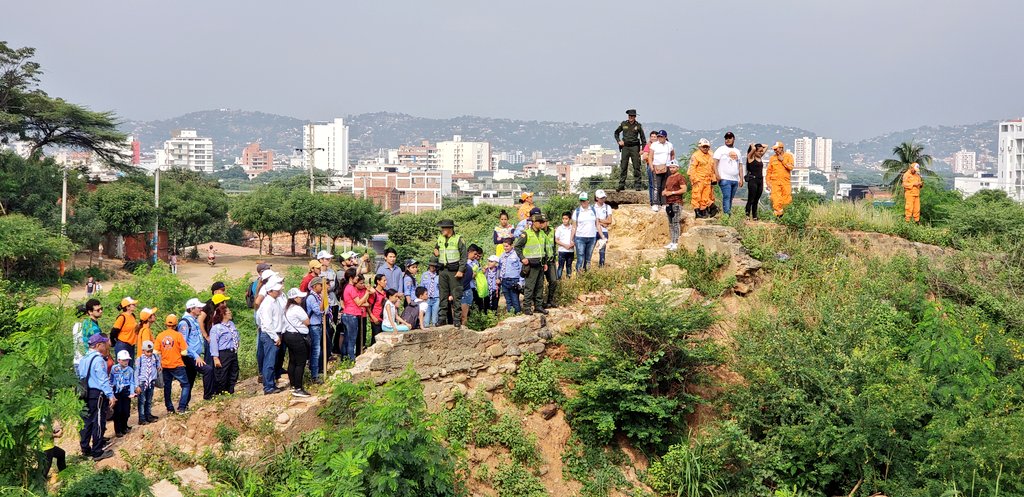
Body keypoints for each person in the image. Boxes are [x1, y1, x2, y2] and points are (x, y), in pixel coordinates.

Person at [78, 333, 114, 461]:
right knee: (98, 421)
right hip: (97, 393)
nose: (106, 346)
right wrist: (111, 395)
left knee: (86, 421)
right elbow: (103, 379)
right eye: (104, 344)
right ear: (99, 345)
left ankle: (85, 448)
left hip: (85, 393)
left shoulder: (83, 359)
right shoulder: (98, 360)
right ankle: (97, 451)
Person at [434, 219, 467, 328]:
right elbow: (437, 248)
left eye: (444, 228)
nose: (442, 230)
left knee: (456, 295)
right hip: (442, 270)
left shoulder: (459, 239)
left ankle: (457, 319)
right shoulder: (440, 238)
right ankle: (442, 318)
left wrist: (461, 270)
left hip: (454, 271)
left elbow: (464, 256)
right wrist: (435, 251)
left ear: (450, 229)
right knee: (442, 295)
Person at [179, 298, 214, 401]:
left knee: (190, 380)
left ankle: (184, 405)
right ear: (192, 309)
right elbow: (183, 343)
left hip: (195, 356)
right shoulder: (185, 323)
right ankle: (208, 397)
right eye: (198, 307)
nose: (201, 309)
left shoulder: (193, 320)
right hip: (190, 357)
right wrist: (196, 356)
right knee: (208, 370)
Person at [156, 314, 191, 412]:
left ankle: (169, 408)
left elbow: (156, 352)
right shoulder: (178, 335)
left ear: (165, 324)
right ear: (176, 325)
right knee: (185, 385)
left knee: (167, 386)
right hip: (177, 364)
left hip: (165, 365)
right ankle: (182, 407)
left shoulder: (160, 336)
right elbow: (184, 352)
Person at [516, 214, 549, 315]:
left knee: (539, 286)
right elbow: (517, 246)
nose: (542, 224)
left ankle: (538, 306)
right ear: (534, 222)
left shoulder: (542, 234)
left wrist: (545, 263)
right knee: (530, 287)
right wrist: (522, 258)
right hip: (530, 264)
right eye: (540, 222)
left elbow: (544, 249)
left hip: (540, 263)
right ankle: (527, 307)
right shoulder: (526, 234)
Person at [256, 280, 285, 394]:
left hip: (275, 333)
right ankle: (268, 387)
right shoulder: (268, 303)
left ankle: (271, 384)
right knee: (269, 361)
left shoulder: (275, 301)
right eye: (276, 289)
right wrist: (275, 337)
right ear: (270, 291)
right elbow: (267, 324)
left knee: (272, 361)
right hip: (270, 335)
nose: (279, 291)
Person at [282, 288, 311, 397]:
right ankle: (298, 388)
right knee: (300, 362)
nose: (301, 298)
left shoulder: (286, 308)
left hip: (288, 335)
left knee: (292, 360)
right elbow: (307, 322)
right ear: (295, 298)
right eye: (299, 297)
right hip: (297, 336)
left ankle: (293, 384)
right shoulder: (297, 309)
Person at [209, 303, 240, 394]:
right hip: (223, 353)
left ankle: (230, 391)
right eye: (228, 312)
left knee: (234, 372)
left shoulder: (231, 324)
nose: (230, 313)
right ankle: (221, 392)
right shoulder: (216, 328)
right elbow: (214, 343)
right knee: (222, 373)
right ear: (223, 314)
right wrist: (215, 358)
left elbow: (236, 336)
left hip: (232, 352)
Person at [614, 109, 647, 191]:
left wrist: (643, 149)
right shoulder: (624, 124)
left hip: (635, 147)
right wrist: (618, 141)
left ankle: (638, 185)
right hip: (625, 147)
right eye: (629, 116)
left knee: (636, 166)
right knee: (623, 166)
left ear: (635, 117)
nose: (630, 117)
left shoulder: (638, 126)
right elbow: (616, 133)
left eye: (632, 116)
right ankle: (621, 184)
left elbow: (643, 138)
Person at [314, 251, 338, 362]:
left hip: (332, 302)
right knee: (325, 329)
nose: (329, 261)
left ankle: (329, 351)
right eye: (326, 259)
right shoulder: (317, 275)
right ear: (320, 260)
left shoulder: (332, 272)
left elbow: (334, 287)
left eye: (329, 259)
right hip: (321, 303)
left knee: (332, 328)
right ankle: (322, 354)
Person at [572, 193, 604, 273]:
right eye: (581, 201)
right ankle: (579, 277)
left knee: (588, 258)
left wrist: (602, 236)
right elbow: (574, 227)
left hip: (592, 237)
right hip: (580, 238)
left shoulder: (593, 210)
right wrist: (571, 239)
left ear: (588, 200)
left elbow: (597, 224)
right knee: (580, 258)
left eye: (584, 200)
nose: (583, 202)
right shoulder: (577, 211)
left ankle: (587, 276)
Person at [713, 132, 744, 216]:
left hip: (734, 179)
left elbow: (740, 166)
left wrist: (741, 178)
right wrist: (717, 174)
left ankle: (728, 212)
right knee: (726, 197)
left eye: (730, 138)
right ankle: (727, 214)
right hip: (724, 178)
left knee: (730, 198)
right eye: (726, 138)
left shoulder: (737, 151)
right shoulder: (721, 149)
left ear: (734, 139)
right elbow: (715, 162)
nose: (728, 139)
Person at [341, 271, 370, 360]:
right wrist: (367, 292)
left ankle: (344, 357)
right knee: (352, 339)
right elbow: (359, 302)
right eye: (356, 276)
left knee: (346, 338)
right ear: (351, 278)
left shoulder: (347, 287)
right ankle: (351, 359)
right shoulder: (351, 288)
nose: (358, 278)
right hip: (352, 315)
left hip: (346, 314)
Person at [110, 350, 137, 437]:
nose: (126, 362)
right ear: (119, 360)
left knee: (126, 410)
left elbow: (132, 382)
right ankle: (118, 430)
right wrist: (111, 394)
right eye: (124, 360)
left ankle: (124, 426)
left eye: (127, 360)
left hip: (126, 391)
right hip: (117, 391)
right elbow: (110, 381)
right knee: (118, 411)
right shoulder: (114, 369)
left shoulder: (130, 370)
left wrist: (132, 392)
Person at [304, 276, 326, 384]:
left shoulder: (317, 296)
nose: (322, 288)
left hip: (318, 324)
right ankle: (314, 375)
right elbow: (318, 311)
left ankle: (316, 371)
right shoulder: (312, 298)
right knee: (315, 350)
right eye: (320, 285)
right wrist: (323, 300)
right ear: (315, 286)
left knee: (318, 349)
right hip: (314, 325)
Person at [663, 160, 689, 251]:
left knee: (675, 222)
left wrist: (672, 193)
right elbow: (667, 188)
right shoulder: (669, 177)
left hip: (676, 202)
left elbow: (684, 189)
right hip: (668, 202)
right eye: (670, 167)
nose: (672, 169)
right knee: (670, 223)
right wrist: (665, 192)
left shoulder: (680, 177)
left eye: (673, 167)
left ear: (677, 168)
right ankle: (672, 241)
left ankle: (676, 242)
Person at [689, 138, 717, 218]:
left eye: (707, 147)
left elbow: (713, 168)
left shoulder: (711, 155)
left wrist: (714, 178)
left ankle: (703, 212)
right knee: (696, 196)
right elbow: (692, 168)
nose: (705, 148)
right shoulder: (696, 156)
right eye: (704, 147)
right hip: (698, 179)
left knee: (706, 197)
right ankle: (697, 212)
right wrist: (694, 179)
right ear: (700, 147)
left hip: (708, 180)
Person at [766, 141, 795, 217]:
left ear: (781, 148)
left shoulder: (789, 156)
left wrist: (782, 160)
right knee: (776, 199)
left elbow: (791, 167)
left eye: (776, 149)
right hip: (775, 182)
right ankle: (778, 216)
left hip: (785, 182)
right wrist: (768, 182)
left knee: (787, 199)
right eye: (774, 149)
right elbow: (769, 171)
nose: (775, 151)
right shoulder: (772, 158)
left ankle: (784, 215)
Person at [649, 130, 675, 212]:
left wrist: (672, 164)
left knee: (665, 186)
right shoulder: (654, 145)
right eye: (659, 136)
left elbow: (672, 154)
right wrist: (651, 167)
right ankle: (655, 203)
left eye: (661, 137)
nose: (660, 138)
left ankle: (664, 203)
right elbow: (650, 156)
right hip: (657, 166)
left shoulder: (669, 145)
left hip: (667, 167)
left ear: (665, 137)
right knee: (657, 186)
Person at [135, 340, 159, 425]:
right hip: (142, 382)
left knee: (149, 400)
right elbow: (136, 372)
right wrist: (136, 385)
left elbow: (158, 364)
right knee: (142, 401)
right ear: (143, 351)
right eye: (147, 351)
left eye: (151, 351)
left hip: (151, 381)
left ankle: (148, 415)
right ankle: (142, 418)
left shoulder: (155, 357)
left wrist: (159, 367)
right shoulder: (140, 359)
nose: (149, 353)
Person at [199, 282, 227, 354]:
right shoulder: (208, 305)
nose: (224, 292)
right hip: (210, 338)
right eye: (222, 290)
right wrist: (206, 336)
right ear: (215, 292)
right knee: (210, 361)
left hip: (220, 338)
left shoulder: (222, 303)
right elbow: (200, 320)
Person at [497, 238, 523, 314]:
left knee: (515, 299)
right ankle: (510, 315)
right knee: (508, 301)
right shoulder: (502, 255)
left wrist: (521, 281)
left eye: (507, 246)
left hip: (514, 279)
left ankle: (518, 315)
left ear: (512, 245)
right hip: (504, 280)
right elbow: (500, 267)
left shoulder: (516, 255)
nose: (505, 248)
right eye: (504, 246)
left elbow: (521, 268)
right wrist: (499, 278)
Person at [75, 299, 104, 365]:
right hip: (92, 359)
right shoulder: (92, 328)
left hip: (85, 358)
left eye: (101, 308)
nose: (101, 311)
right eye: (98, 310)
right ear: (90, 312)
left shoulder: (86, 322)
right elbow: (98, 346)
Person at [460, 245, 483, 325]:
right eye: (475, 254)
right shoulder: (463, 262)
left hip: (472, 287)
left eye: (477, 255)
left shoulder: (475, 262)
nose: (476, 256)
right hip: (464, 287)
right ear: (469, 252)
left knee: (473, 307)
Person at [539, 216, 558, 310]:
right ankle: (540, 302)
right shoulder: (538, 232)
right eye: (540, 222)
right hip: (541, 261)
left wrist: (554, 256)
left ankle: (550, 300)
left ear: (547, 222)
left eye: (543, 222)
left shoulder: (552, 231)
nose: (541, 224)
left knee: (554, 280)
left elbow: (554, 244)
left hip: (550, 260)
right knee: (540, 283)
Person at [745, 144, 767, 219]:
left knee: (757, 199)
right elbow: (753, 149)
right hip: (753, 180)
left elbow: (766, 146)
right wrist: (753, 145)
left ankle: (755, 216)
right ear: (754, 151)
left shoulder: (760, 157)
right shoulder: (750, 157)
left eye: (762, 151)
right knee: (751, 199)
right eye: (759, 151)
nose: (761, 152)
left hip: (760, 180)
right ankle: (747, 215)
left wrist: (760, 146)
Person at [593, 189, 613, 267]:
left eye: (603, 197)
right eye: (601, 198)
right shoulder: (592, 208)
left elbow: (609, 221)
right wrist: (602, 223)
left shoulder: (607, 207)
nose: (602, 199)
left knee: (602, 251)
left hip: (604, 231)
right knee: (590, 250)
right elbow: (593, 221)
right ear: (597, 198)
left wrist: (599, 221)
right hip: (594, 231)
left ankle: (601, 266)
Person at [367, 274, 387, 342]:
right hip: (376, 318)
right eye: (384, 280)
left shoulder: (385, 293)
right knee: (375, 338)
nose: (386, 282)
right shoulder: (374, 293)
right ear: (378, 281)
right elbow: (368, 306)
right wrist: (372, 317)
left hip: (383, 318)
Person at [554, 212, 574, 279]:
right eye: (563, 219)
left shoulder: (573, 228)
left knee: (569, 266)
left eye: (566, 219)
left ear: (570, 219)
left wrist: (572, 245)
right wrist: (565, 245)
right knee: (560, 267)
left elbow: (576, 238)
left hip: (571, 251)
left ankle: (568, 280)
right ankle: (558, 280)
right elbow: (556, 240)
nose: (564, 220)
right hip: (562, 250)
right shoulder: (559, 228)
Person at [642, 131, 659, 206]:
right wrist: (654, 156)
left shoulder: (661, 145)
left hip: (660, 166)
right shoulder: (648, 145)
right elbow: (644, 156)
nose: (653, 138)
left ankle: (659, 200)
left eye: (654, 137)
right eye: (651, 137)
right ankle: (652, 201)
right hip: (650, 165)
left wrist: (651, 156)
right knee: (652, 184)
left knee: (660, 184)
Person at [422, 258, 440, 327]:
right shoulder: (424, 275)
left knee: (435, 319)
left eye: (434, 266)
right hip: (427, 299)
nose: (433, 267)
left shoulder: (438, 276)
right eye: (431, 265)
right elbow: (422, 286)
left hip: (436, 298)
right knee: (426, 319)